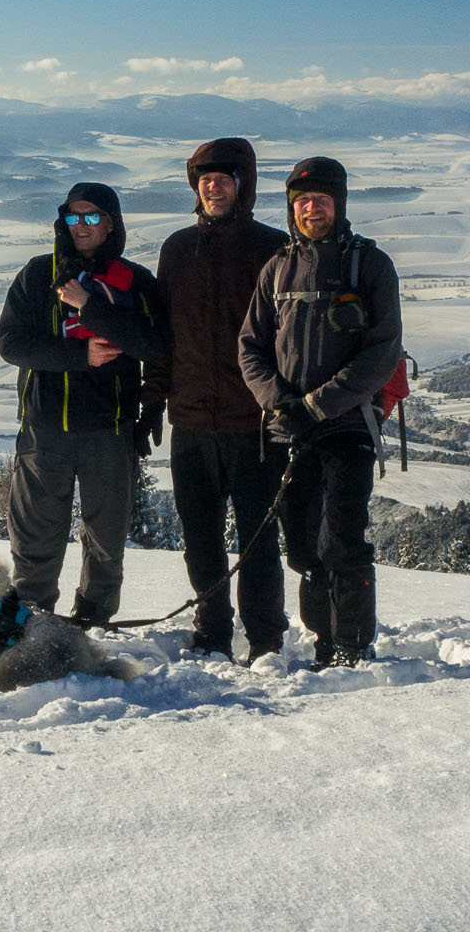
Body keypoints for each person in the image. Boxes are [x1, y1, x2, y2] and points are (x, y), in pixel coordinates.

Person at [238, 156, 401, 668]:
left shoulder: (369, 265)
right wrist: (279, 401)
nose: (312, 208)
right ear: (292, 208)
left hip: (348, 425)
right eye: (303, 201)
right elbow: (250, 347)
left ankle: (352, 645)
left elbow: (382, 353)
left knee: (343, 539)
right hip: (290, 431)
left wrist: (317, 405)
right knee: (304, 548)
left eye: (321, 200)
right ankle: (324, 637)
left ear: (340, 204)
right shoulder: (277, 268)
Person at [142, 138, 292, 663]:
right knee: (200, 539)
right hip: (190, 422)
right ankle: (211, 631)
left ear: (243, 185)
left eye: (224, 178)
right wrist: (153, 399)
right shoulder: (177, 249)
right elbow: (164, 337)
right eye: (205, 179)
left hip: (252, 424)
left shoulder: (273, 248)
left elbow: (287, 339)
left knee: (257, 543)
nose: (213, 186)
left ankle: (267, 636)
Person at [0, 183, 167, 626]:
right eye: (74, 217)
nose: (83, 226)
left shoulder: (135, 281)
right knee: (35, 536)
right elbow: (10, 343)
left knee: (107, 536)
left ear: (111, 223)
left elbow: (152, 344)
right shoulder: (37, 274)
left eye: (93, 217)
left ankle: (94, 620)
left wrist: (89, 306)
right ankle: (30, 619)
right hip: (44, 428)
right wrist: (79, 356)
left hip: (110, 428)